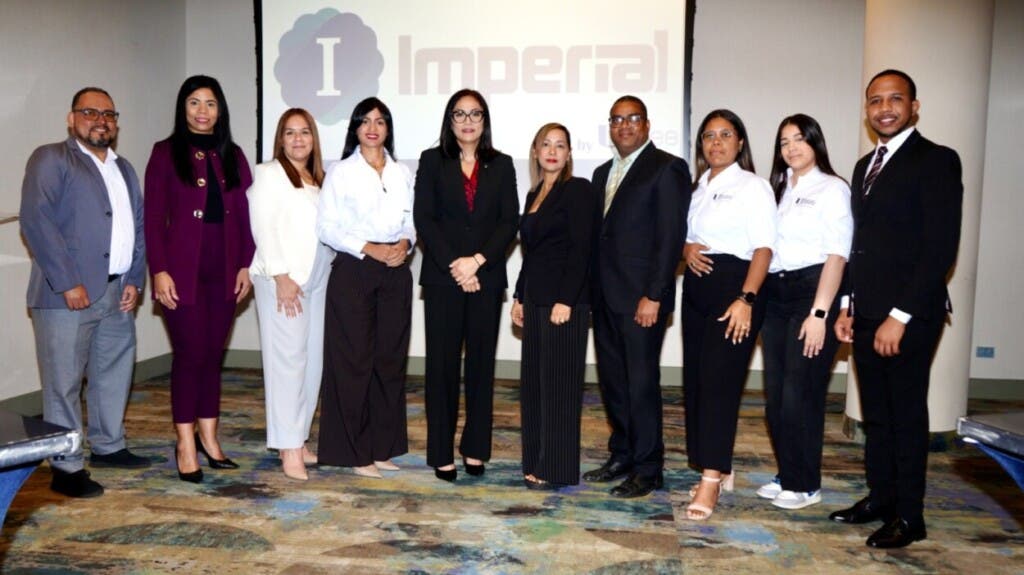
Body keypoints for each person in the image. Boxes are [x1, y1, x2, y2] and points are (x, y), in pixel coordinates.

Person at [831, 69, 962, 549]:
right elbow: (858, 243)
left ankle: (910, 516)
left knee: (905, 415)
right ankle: (881, 498)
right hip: (865, 312)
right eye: (875, 101)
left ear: (914, 106)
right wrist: (848, 304)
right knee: (877, 414)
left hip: (909, 315)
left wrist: (899, 316)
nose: (884, 108)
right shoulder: (864, 165)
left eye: (895, 99)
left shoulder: (937, 160)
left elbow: (939, 248)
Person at [20, 86, 151, 498]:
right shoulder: (51, 158)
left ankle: (109, 445)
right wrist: (67, 281)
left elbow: (138, 227)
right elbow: (36, 220)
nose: (101, 121)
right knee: (63, 383)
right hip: (66, 296)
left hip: (117, 293)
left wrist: (135, 279)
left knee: (113, 374)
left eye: (109, 114)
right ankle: (66, 466)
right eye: (90, 112)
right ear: (71, 118)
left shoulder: (124, 168)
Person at [144, 75, 255, 483]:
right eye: (194, 102)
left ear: (220, 110)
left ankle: (209, 437)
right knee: (190, 355)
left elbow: (247, 217)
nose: (202, 111)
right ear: (183, 108)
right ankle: (185, 443)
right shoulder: (164, 153)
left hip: (225, 269)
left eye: (210, 103)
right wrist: (159, 271)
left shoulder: (234, 155)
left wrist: (246, 264)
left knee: (212, 355)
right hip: (181, 272)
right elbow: (152, 219)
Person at [584, 95, 690, 498]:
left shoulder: (667, 167)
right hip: (605, 297)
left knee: (641, 384)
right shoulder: (601, 173)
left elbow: (670, 238)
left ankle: (648, 468)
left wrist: (655, 295)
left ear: (646, 125)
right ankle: (623, 454)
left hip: (642, 300)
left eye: (632, 119)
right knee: (613, 382)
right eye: (617, 120)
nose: (624, 126)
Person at [413, 89, 519, 482]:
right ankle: (440, 452)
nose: (468, 121)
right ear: (450, 120)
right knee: (440, 369)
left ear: (484, 121)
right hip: (443, 279)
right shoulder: (431, 160)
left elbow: (509, 221)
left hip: (485, 279)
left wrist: (476, 261)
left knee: (480, 367)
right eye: (460, 114)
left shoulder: (502, 164)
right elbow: (424, 218)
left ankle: (475, 447)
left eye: (475, 114)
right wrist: (456, 264)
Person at [682, 109, 776, 520]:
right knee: (698, 383)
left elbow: (764, 248)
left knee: (720, 386)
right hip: (696, 289)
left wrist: (746, 299)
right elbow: (686, 237)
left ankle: (710, 480)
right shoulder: (697, 187)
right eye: (708, 135)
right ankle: (720, 466)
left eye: (725, 134)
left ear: (740, 142)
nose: (716, 142)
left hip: (736, 289)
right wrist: (686, 249)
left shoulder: (753, 186)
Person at [757, 114, 852, 510]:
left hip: (812, 293)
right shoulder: (776, 189)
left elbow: (837, 255)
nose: (791, 148)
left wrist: (820, 314)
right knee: (776, 396)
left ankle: (806, 484)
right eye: (784, 142)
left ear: (815, 142)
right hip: (775, 294)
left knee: (801, 394)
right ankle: (788, 473)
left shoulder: (833, 188)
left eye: (799, 139)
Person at [317, 97, 415, 479]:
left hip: (395, 270)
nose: (373, 128)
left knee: (389, 362)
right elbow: (326, 227)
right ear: (355, 128)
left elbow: (411, 220)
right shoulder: (341, 172)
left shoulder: (402, 172)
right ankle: (356, 453)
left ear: (388, 128)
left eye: (380, 121)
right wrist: (369, 248)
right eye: (365, 121)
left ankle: (381, 447)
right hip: (355, 269)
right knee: (354, 363)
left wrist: (405, 243)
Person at [511, 123, 598, 490]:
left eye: (560, 145)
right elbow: (530, 253)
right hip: (535, 301)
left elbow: (582, 249)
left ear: (568, 154)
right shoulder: (534, 193)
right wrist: (519, 295)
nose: (552, 151)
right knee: (535, 386)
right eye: (545, 144)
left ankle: (557, 468)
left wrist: (567, 299)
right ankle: (536, 459)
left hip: (565, 303)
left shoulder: (578, 190)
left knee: (559, 389)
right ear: (535, 151)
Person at [249, 108, 330, 481]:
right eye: (290, 132)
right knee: (288, 364)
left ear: (314, 139)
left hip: (318, 277)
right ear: (280, 139)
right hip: (283, 279)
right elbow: (263, 226)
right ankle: (288, 447)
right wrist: (280, 275)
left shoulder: (319, 179)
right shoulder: (269, 174)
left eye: (305, 132)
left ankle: (299, 437)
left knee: (311, 362)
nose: (298, 139)